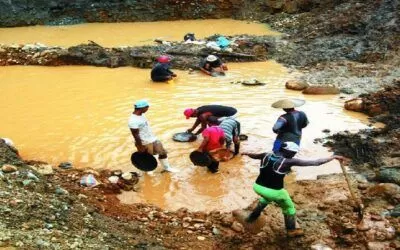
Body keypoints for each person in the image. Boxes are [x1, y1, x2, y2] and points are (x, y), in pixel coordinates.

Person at [242, 142, 345, 237]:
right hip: (274, 192)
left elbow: (254, 155)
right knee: (289, 207)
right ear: (290, 152)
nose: (294, 155)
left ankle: (251, 217)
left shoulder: (266, 155)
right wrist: (333, 157)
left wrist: (245, 153)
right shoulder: (288, 161)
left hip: (257, 186)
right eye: (294, 153)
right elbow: (315, 162)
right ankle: (291, 230)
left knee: (266, 198)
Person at [128, 100, 178, 173]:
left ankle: (167, 168)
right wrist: (140, 146)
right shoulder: (133, 121)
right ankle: (148, 171)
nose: (148, 109)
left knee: (163, 153)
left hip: (153, 139)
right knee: (147, 158)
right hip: (144, 142)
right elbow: (135, 135)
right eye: (147, 107)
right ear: (142, 108)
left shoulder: (142, 114)